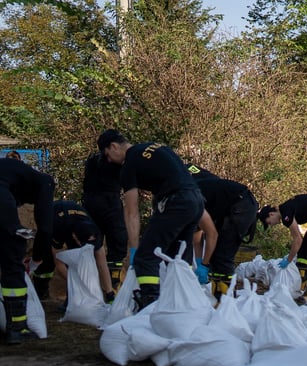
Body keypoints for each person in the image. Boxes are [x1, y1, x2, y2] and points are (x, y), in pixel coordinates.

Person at [97, 129, 204, 311]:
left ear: (114, 147)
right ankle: (184, 307)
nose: (109, 161)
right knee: (177, 259)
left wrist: (133, 250)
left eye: (107, 155)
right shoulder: (155, 147)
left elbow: (131, 212)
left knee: (145, 258)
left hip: (176, 202)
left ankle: (150, 307)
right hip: (196, 201)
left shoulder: (129, 165)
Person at [0, 157, 55, 344]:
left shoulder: (13, 172)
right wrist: (36, 260)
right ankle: (17, 328)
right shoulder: (45, 182)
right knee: (12, 256)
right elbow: (46, 228)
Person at [186, 164, 258, 300]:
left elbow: (212, 234)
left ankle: (227, 301)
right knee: (215, 256)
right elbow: (196, 240)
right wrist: (199, 261)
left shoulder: (188, 194)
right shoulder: (189, 177)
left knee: (223, 255)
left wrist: (204, 265)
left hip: (240, 205)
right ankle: (219, 298)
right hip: (230, 205)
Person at [32, 200, 116, 304]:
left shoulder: (94, 232)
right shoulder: (56, 227)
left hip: (73, 220)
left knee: (80, 260)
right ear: (75, 237)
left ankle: (73, 296)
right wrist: (77, 285)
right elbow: (59, 264)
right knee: (47, 258)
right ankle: (41, 291)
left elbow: (102, 265)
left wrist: (109, 293)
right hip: (52, 217)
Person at [257, 194, 307, 298]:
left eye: (269, 223)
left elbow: (297, 240)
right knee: (304, 250)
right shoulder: (285, 210)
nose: (272, 225)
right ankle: (301, 284)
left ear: (271, 214)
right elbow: (300, 238)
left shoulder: (286, 214)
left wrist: (289, 260)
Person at [81, 150, 128, 292]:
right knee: (117, 239)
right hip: (108, 202)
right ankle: (113, 284)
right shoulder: (114, 158)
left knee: (92, 243)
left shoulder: (93, 158)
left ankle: (93, 284)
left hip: (90, 202)